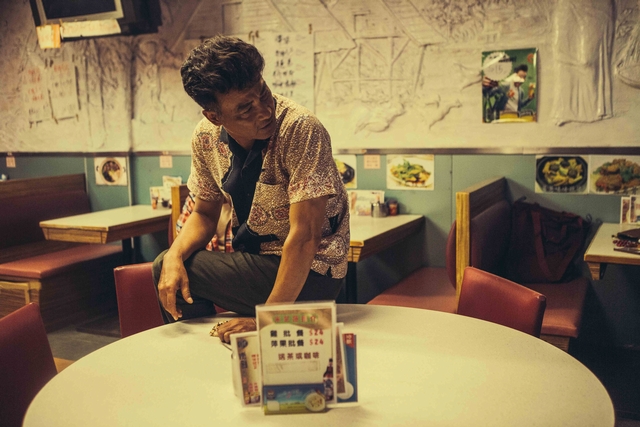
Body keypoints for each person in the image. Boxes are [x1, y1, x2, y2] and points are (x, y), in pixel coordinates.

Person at [153, 35, 350, 343]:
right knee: (169, 267)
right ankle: (211, 347)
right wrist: (175, 254)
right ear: (214, 116)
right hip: (259, 264)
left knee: (169, 266)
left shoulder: (300, 128)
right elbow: (204, 213)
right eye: (245, 108)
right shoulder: (205, 137)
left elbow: (306, 237)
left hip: (313, 273)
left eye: (264, 93)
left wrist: (266, 321)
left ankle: (236, 342)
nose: (264, 111)